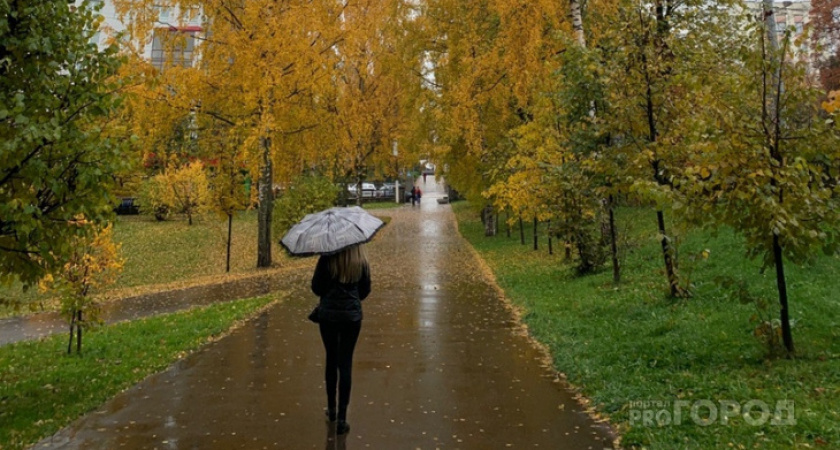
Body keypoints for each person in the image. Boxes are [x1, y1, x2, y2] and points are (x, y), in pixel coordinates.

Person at [311, 244, 371, 435]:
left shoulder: (327, 258)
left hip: (328, 316)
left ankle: (332, 410)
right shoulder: (361, 261)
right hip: (351, 318)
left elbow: (316, 288)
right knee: (345, 363)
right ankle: (342, 420)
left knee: (331, 359)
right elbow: (364, 291)